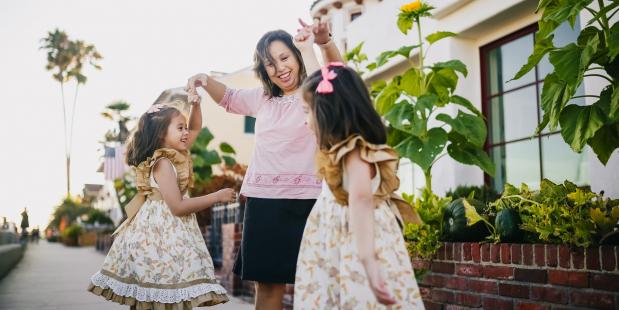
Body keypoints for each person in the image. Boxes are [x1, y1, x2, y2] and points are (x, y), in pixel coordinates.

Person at [185, 21, 342, 310]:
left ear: (297, 56)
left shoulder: (318, 93)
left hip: (311, 201)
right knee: (268, 286)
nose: (279, 68)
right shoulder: (263, 99)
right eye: (270, 64)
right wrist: (205, 79)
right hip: (264, 203)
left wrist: (323, 42)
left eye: (284, 58)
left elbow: (336, 76)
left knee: (317, 283)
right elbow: (229, 98)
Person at [88, 88, 236, 309]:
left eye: (185, 127)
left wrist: (195, 104)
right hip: (160, 240)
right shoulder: (163, 163)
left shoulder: (175, 154)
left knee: (164, 297)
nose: (187, 132)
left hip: (168, 236)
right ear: (161, 134)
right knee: (157, 297)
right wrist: (216, 196)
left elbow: (196, 127)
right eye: (180, 128)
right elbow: (177, 207)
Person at [294, 63, 425, 309]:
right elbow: (322, 79)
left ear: (327, 113)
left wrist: (369, 262)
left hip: (357, 246)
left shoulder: (354, 153)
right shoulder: (341, 152)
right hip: (339, 248)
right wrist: (312, 46)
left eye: (306, 111)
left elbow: (361, 200)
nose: (305, 120)